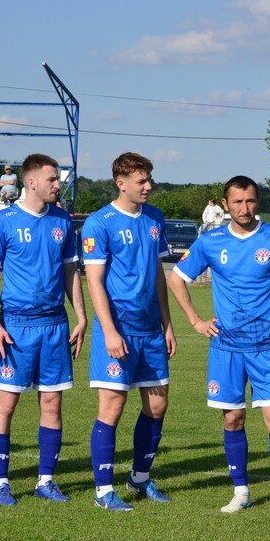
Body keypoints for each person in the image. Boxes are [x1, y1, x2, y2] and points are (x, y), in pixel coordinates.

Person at [167, 175, 270, 521]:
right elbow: (176, 279)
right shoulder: (211, 241)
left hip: (266, 348)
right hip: (226, 348)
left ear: (257, 201)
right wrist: (196, 321)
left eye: (250, 201)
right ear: (225, 204)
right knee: (233, 419)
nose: (244, 208)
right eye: (237, 202)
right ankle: (241, 492)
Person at [0, 153, 87, 506]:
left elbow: (71, 272)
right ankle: (0, 484)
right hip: (16, 327)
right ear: (31, 182)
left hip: (55, 325)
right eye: (52, 179)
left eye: (58, 179)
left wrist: (81, 317)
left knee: (52, 402)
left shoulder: (62, 220)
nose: (58, 185)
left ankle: (46, 481)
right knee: (6, 404)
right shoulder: (4, 220)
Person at [81, 152, 176, 511]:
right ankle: (103, 491)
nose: (148, 186)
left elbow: (158, 274)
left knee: (158, 404)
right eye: (141, 181)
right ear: (121, 183)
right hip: (118, 329)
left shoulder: (155, 217)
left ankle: (139, 477)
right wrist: (108, 331)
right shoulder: (99, 223)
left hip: (150, 330)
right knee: (113, 405)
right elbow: (94, 281)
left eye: (149, 179)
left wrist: (167, 325)